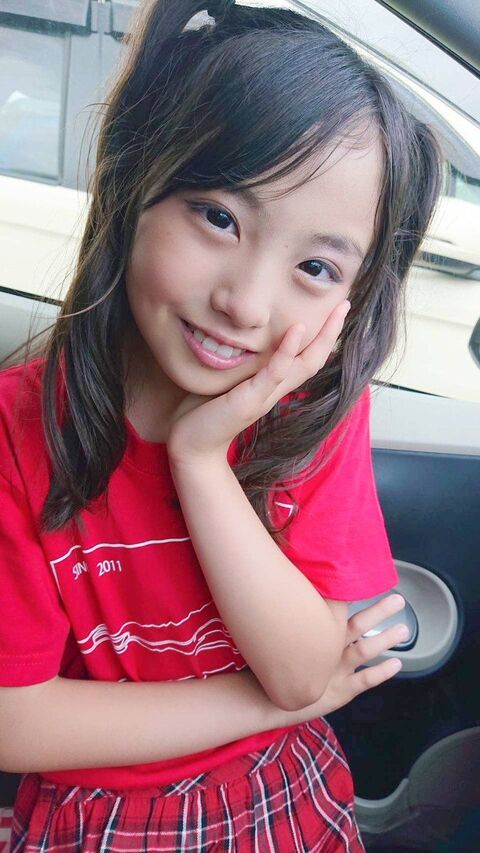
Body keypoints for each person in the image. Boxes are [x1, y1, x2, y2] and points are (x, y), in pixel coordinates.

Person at [0, 0, 443, 850]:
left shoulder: (316, 411)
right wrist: (265, 704)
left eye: (315, 266)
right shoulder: (19, 434)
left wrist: (201, 458)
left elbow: (300, 668)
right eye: (218, 217)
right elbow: (15, 721)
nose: (245, 302)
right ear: (135, 185)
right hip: (104, 814)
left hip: (284, 788)